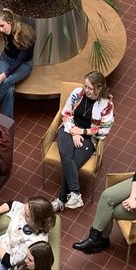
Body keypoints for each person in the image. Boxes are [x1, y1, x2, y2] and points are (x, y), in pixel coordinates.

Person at [50, 71, 115, 211]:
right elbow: (66, 113)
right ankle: (75, 193)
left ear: (99, 89)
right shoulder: (77, 93)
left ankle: (61, 199)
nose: (86, 90)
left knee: (72, 162)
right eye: (85, 86)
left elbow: (103, 129)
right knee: (65, 153)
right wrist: (74, 131)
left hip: (88, 137)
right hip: (69, 129)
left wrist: (82, 132)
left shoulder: (107, 105)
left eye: (90, 88)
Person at [0, 8, 34, 118]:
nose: (1, 30)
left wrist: (3, 74)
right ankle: (7, 120)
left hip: (24, 64)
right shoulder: (5, 29)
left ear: (10, 22)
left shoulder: (27, 34)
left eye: (2, 25)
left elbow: (20, 60)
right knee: (9, 89)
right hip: (6, 58)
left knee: (5, 81)